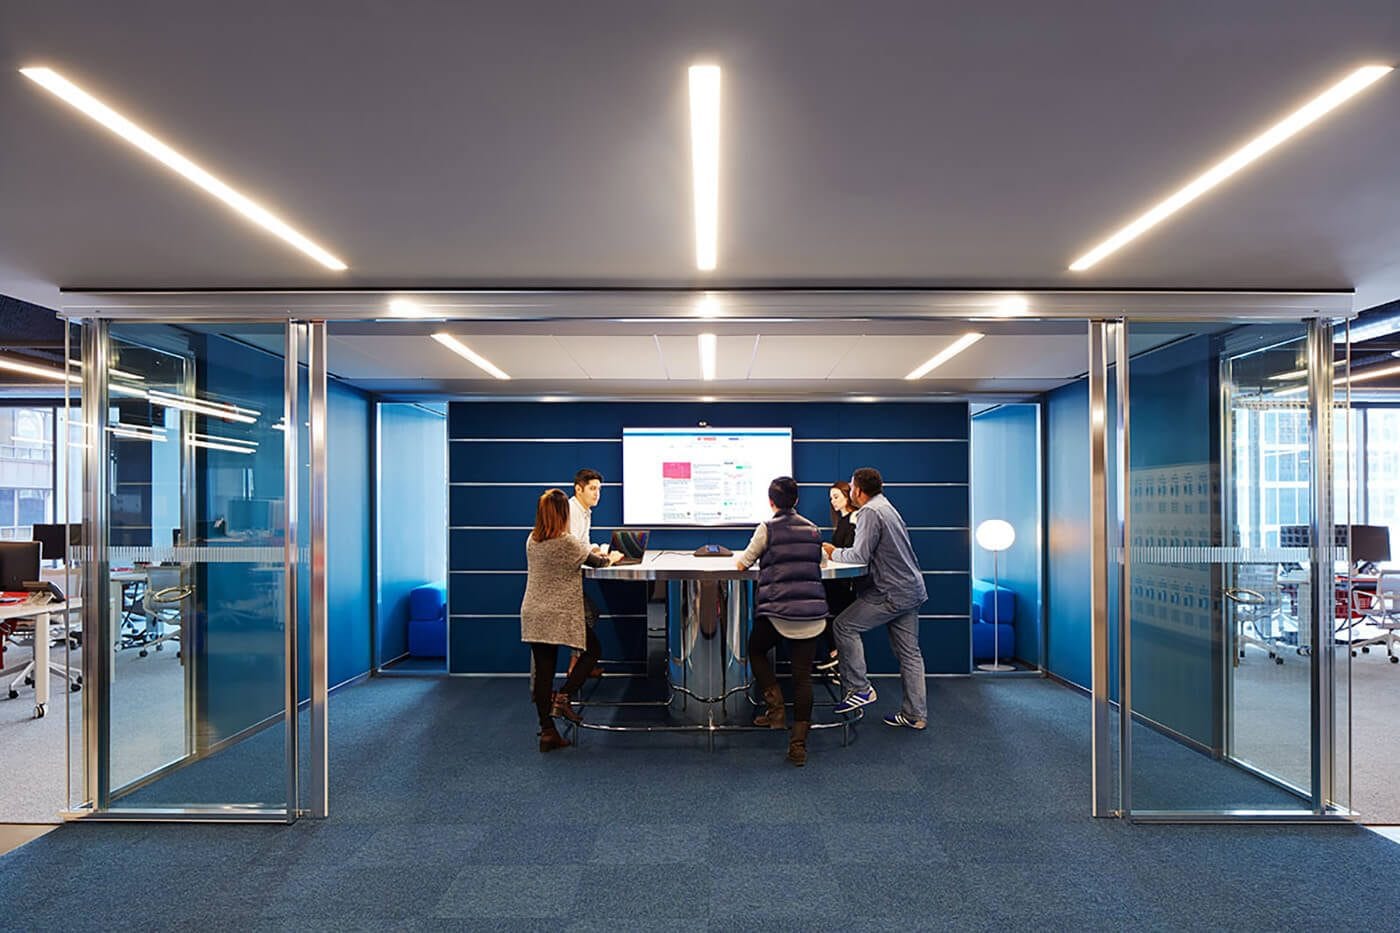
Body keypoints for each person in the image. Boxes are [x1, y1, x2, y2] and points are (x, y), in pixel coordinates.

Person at [823, 467, 929, 730]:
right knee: (910, 654)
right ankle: (915, 715)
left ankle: (860, 688)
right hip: (911, 589)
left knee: (843, 626)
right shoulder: (886, 506)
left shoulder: (869, 512)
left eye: (851, 487)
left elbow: (859, 556)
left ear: (858, 490)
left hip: (890, 591)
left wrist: (833, 551)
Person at [736, 476, 828, 766]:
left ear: (770, 501)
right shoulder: (813, 529)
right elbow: (822, 564)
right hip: (812, 615)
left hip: (778, 614)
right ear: (797, 500)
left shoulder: (767, 528)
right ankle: (798, 745)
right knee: (803, 678)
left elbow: (743, 563)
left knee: (756, 649)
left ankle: (776, 710)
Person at [521, 488, 622, 752]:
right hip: (560, 614)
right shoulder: (567, 542)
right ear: (563, 514)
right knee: (592, 651)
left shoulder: (532, 539)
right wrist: (612, 557)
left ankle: (547, 731)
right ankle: (564, 696)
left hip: (534, 612)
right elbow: (599, 563)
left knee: (543, 673)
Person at [817, 480, 859, 675]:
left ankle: (837, 653)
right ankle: (836, 653)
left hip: (845, 583)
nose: (833, 501)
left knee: (828, 611)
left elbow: (852, 550)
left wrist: (833, 550)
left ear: (847, 496)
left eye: (836, 497)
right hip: (839, 581)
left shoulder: (854, 519)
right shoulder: (842, 521)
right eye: (831, 498)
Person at [567, 468, 606, 679]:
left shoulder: (584, 511)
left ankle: (580, 663)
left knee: (591, 614)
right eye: (592, 489)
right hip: (563, 582)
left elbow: (583, 544)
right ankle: (577, 667)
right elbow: (573, 548)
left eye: (599, 489)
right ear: (578, 489)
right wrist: (602, 559)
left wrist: (596, 550)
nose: (597, 494)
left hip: (573, 577)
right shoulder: (572, 510)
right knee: (588, 615)